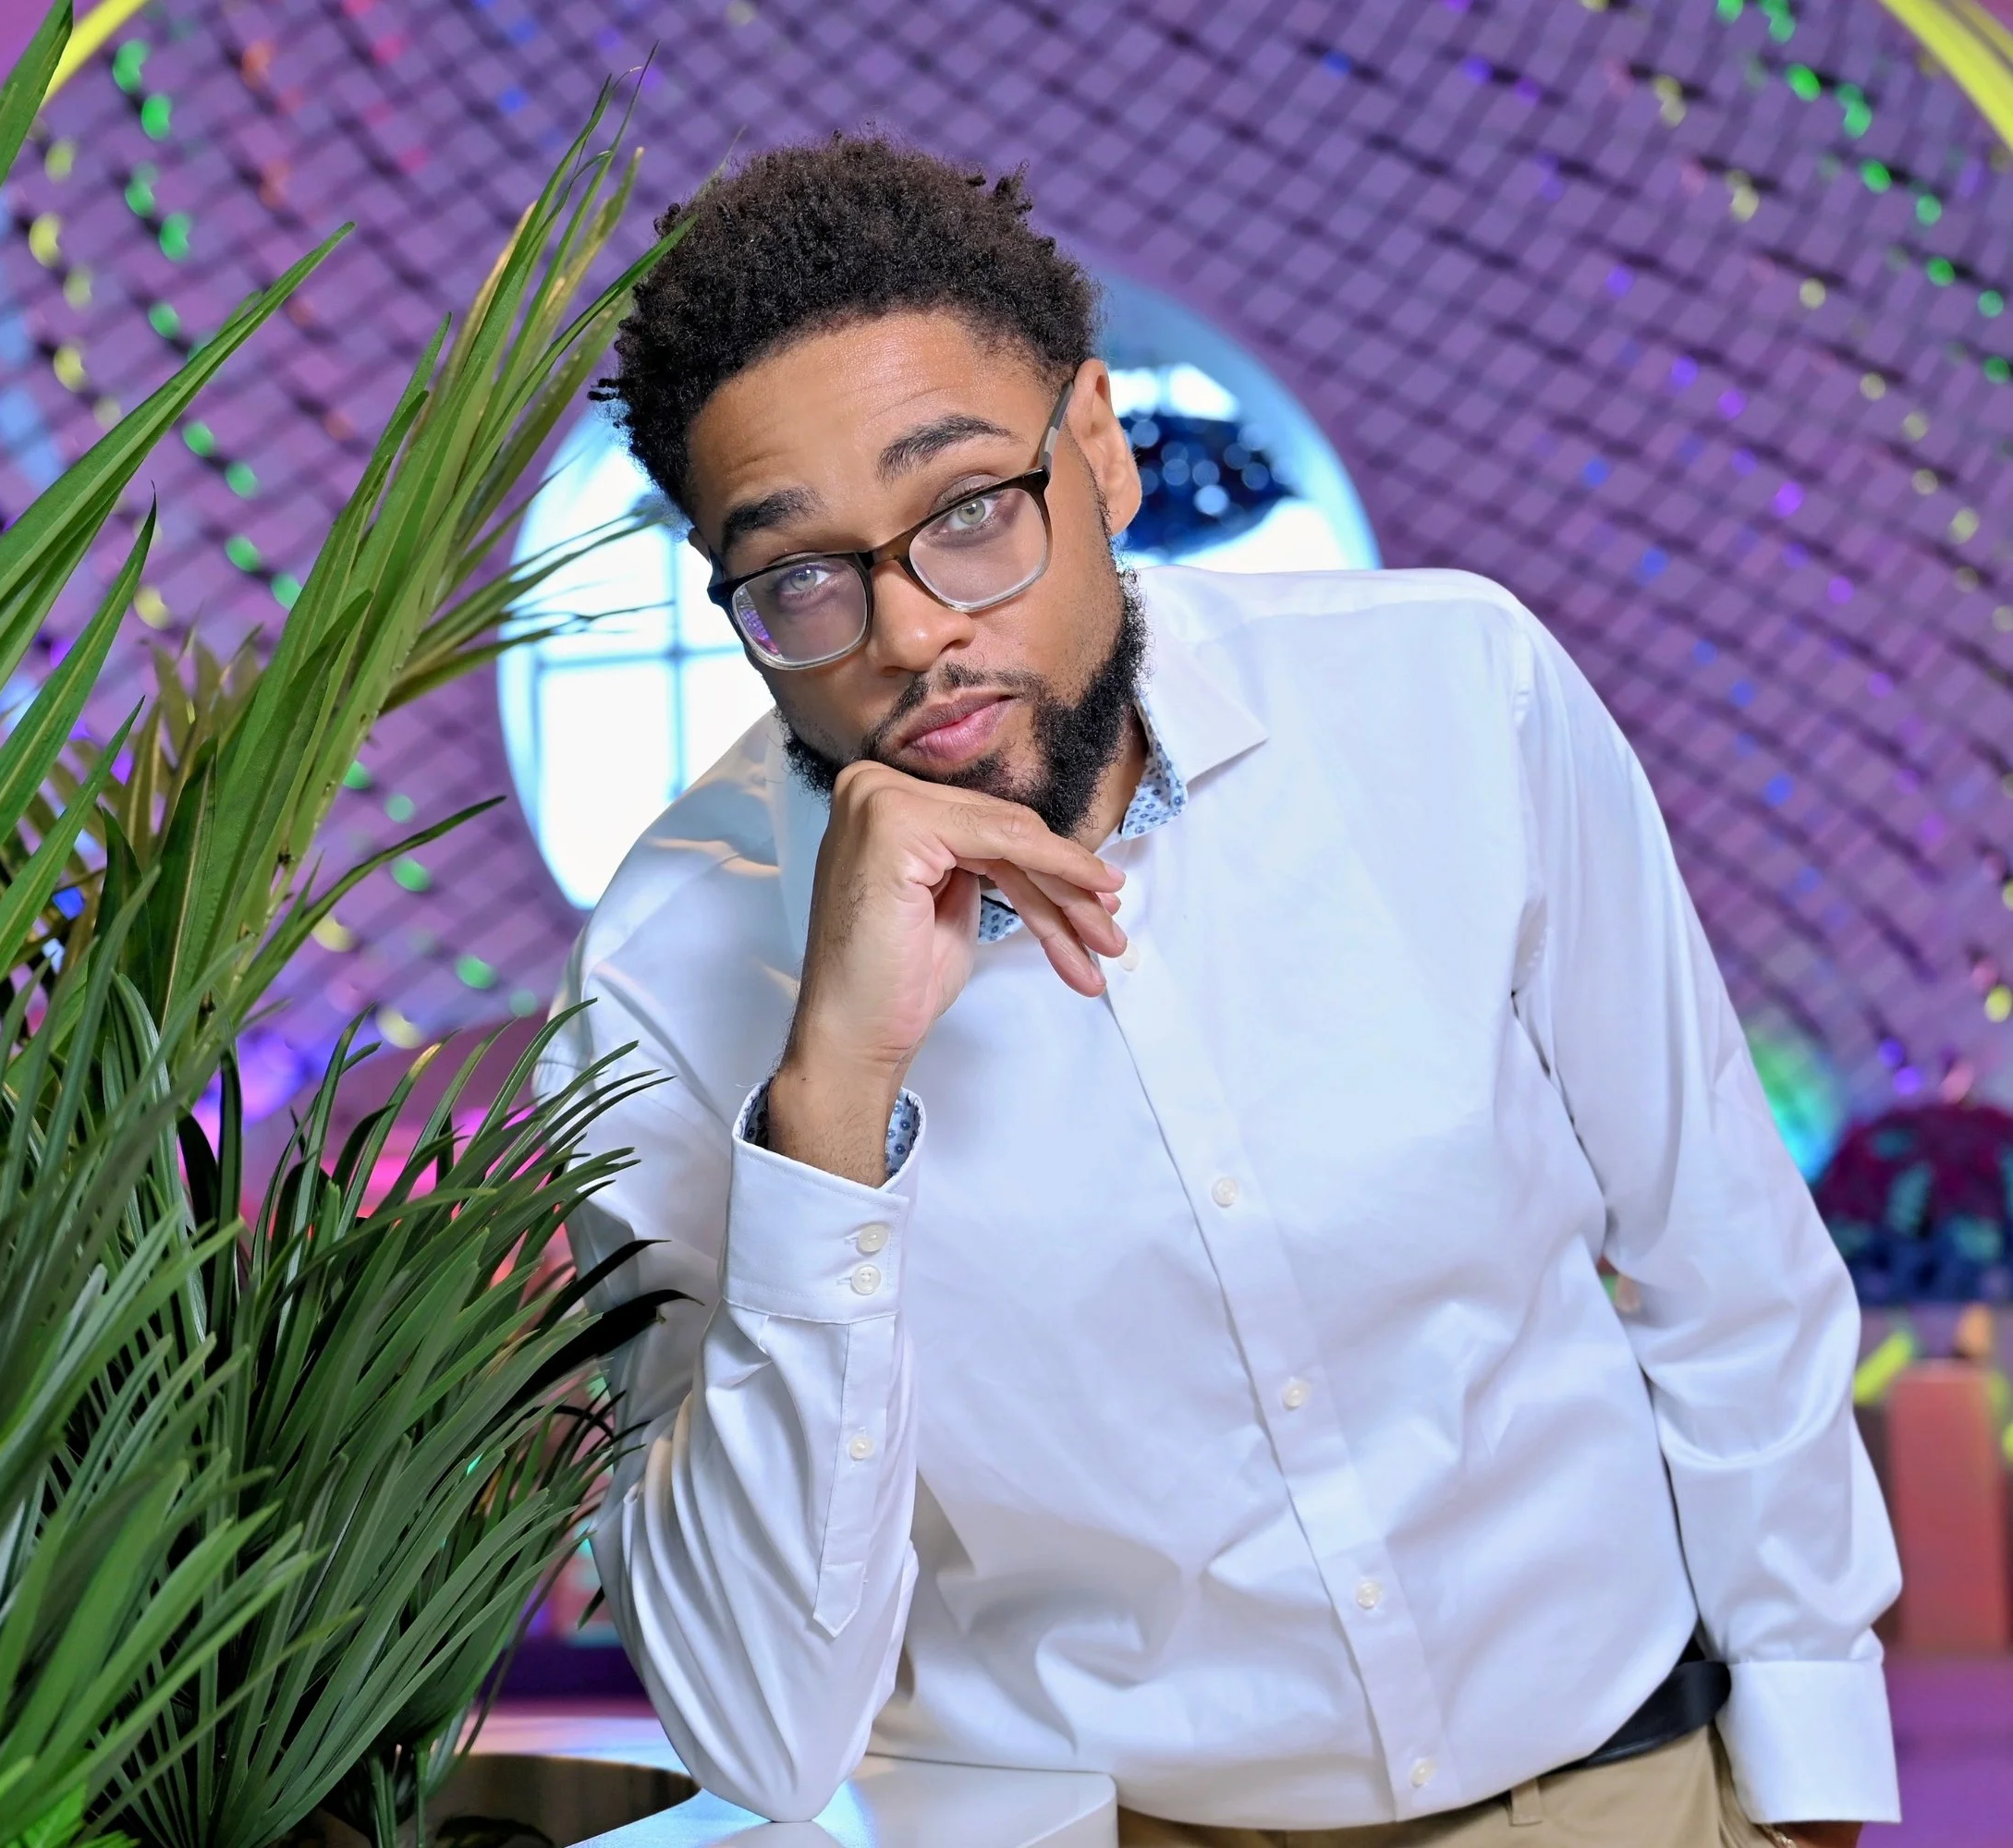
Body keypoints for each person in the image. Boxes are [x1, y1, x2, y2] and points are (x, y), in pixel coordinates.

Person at [535, 137, 1898, 1847]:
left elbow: (1724, 1260)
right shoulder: (662, 981)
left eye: (968, 512)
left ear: (1099, 445)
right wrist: (829, 1108)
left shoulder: (1456, 691)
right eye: (802, 575)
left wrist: (1810, 1785)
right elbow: (758, 1726)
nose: (912, 634)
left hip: (1622, 1787)